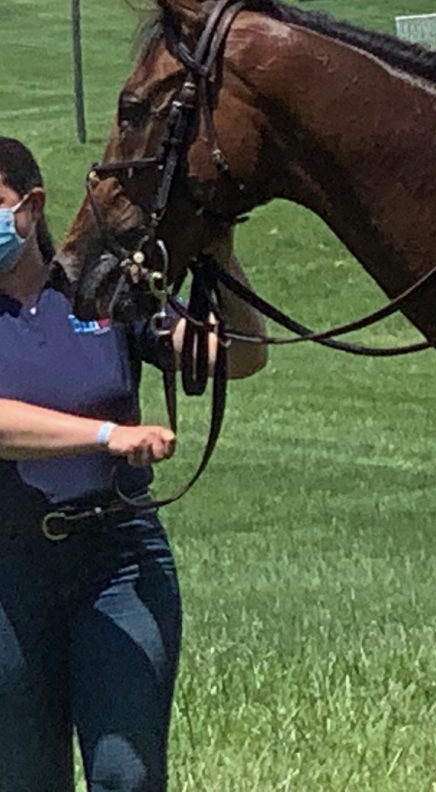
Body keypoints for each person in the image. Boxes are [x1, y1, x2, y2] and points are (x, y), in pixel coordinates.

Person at [0, 136, 267, 792]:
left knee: (128, 772)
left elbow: (237, 356)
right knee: (25, 778)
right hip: (10, 572)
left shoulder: (102, 290)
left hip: (118, 561)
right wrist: (105, 436)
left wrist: (222, 261)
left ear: (31, 205)